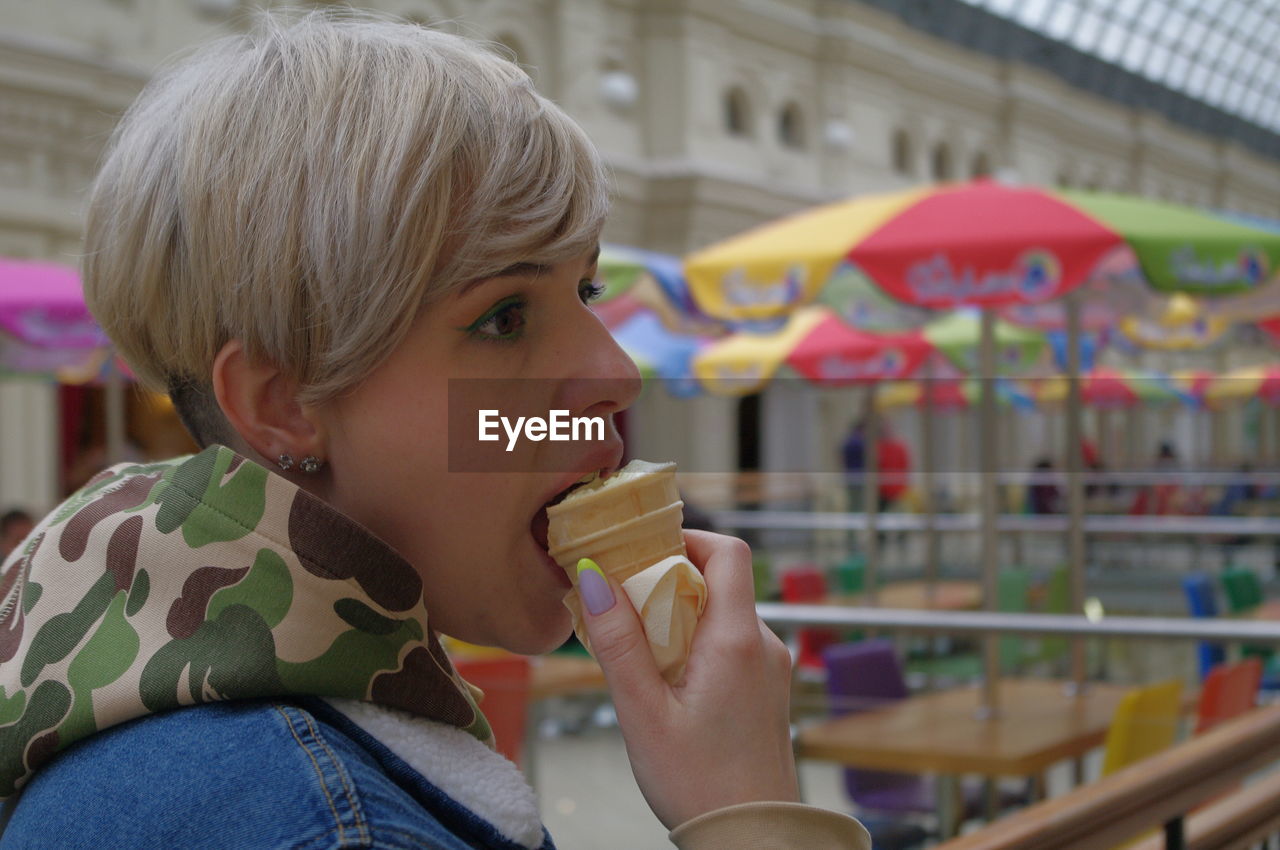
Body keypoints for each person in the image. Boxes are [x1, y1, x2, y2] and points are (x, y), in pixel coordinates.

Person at [0, 12, 867, 850]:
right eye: (503, 317)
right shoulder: (322, 824)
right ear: (285, 403)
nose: (616, 374)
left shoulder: (169, 697)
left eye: (587, 293)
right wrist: (751, 813)